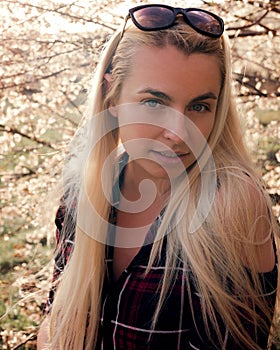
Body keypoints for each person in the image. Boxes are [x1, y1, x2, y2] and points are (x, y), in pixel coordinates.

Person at [37, 4, 279, 350]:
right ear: (112, 97)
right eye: (153, 103)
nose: (178, 134)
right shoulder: (84, 192)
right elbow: (56, 320)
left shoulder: (229, 205)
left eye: (199, 106)